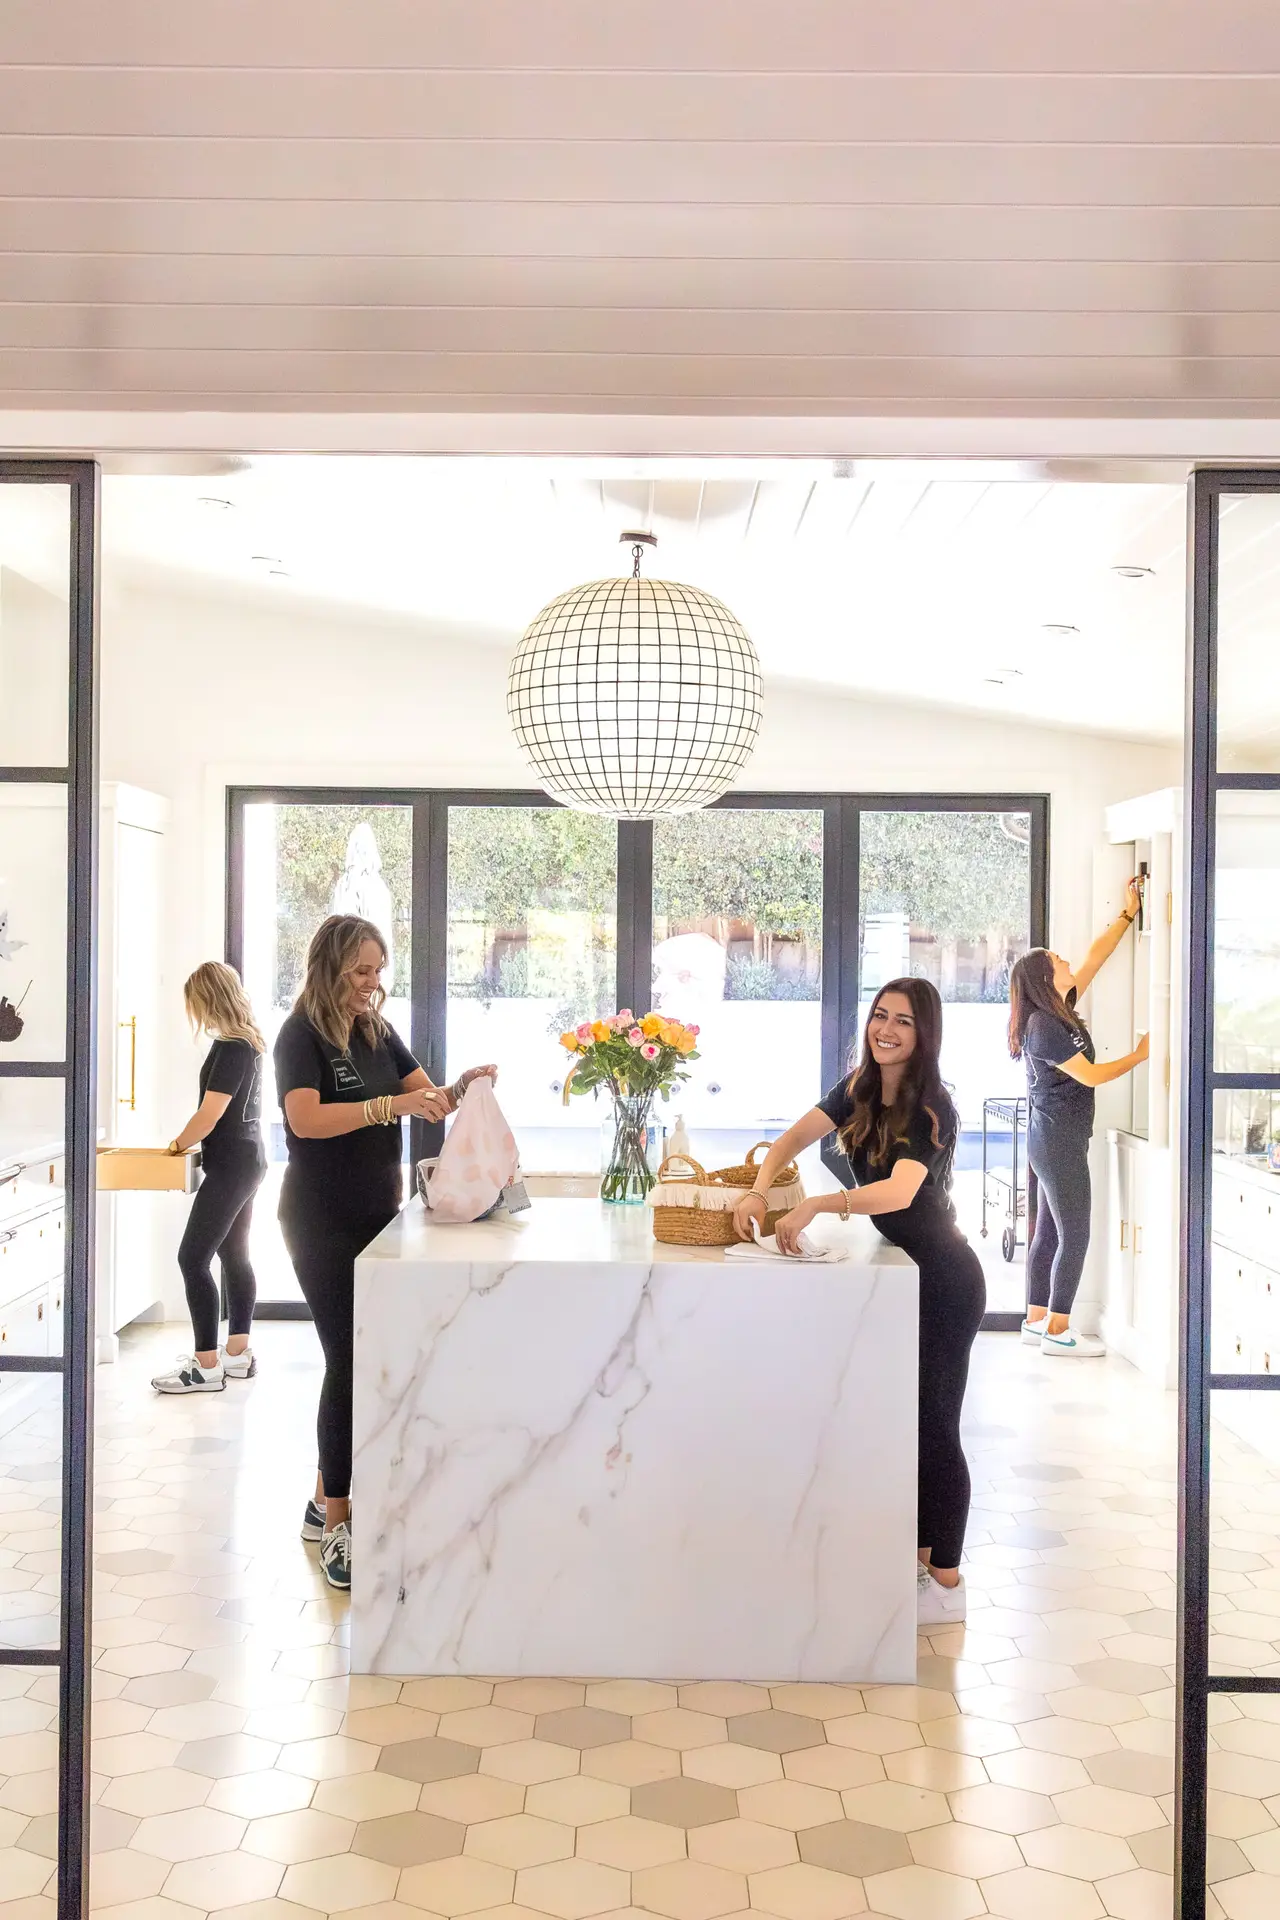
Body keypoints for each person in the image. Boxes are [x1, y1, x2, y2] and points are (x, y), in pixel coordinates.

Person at [731, 978, 984, 1629]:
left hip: (947, 1280)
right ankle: (923, 1562)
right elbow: (787, 1141)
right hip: (906, 1275)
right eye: (879, 1016)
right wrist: (761, 1191)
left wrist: (820, 1202)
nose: (887, 1030)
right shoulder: (859, 1089)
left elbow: (900, 1193)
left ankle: (948, 1585)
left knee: (937, 1425)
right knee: (913, 1421)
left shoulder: (933, 1109)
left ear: (924, 1035)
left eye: (904, 1021)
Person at [274, 913, 495, 1593]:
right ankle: (339, 1518)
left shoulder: (377, 1031)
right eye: (360, 971)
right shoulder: (299, 1035)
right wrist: (386, 1108)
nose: (373, 983)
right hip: (320, 1219)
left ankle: (322, 1498)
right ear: (330, 967)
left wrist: (462, 1090)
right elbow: (304, 1119)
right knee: (347, 1359)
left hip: (378, 1215)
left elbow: (423, 1100)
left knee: (363, 1358)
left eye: (378, 970)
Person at [1009, 879, 1149, 1358]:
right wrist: (1140, 1055)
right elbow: (1088, 1076)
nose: (1068, 963)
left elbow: (1094, 958)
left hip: (1052, 1140)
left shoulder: (1054, 1011)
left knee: (1049, 1232)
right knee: (1076, 1233)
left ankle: (1035, 1319)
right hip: (1057, 1143)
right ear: (1046, 979)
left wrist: (1128, 915)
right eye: (1058, 962)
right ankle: (1059, 1330)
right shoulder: (1043, 1027)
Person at [151, 962, 267, 1396]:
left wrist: (177, 1145)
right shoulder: (250, 1043)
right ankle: (237, 1354)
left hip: (232, 1164)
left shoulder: (232, 1047)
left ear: (209, 998)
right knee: (234, 1255)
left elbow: (210, 1113)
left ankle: (205, 1366)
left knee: (192, 1258)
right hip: (249, 1159)